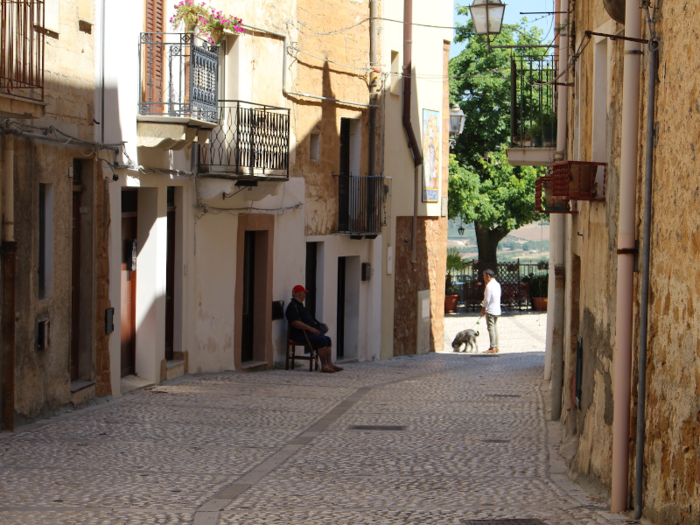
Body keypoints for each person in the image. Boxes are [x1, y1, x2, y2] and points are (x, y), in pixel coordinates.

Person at [285, 285, 343, 373]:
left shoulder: (300, 306)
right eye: (304, 293)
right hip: (299, 335)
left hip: (308, 333)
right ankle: (324, 366)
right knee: (321, 340)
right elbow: (295, 322)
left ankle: (330, 364)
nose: (305, 295)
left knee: (327, 339)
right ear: (300, 294)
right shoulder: (293, 307)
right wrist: (311, 329)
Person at [480, 269, 501, 353]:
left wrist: (483, 309)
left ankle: (492, 347)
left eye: (484, 276)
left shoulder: (489, 286)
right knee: (495, 328)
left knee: (491, 328)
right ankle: (496, 346)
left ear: (488, 276)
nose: (483, 278)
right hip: (497, 309)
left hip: (490, 310)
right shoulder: (497, 284)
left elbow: (486, 300)